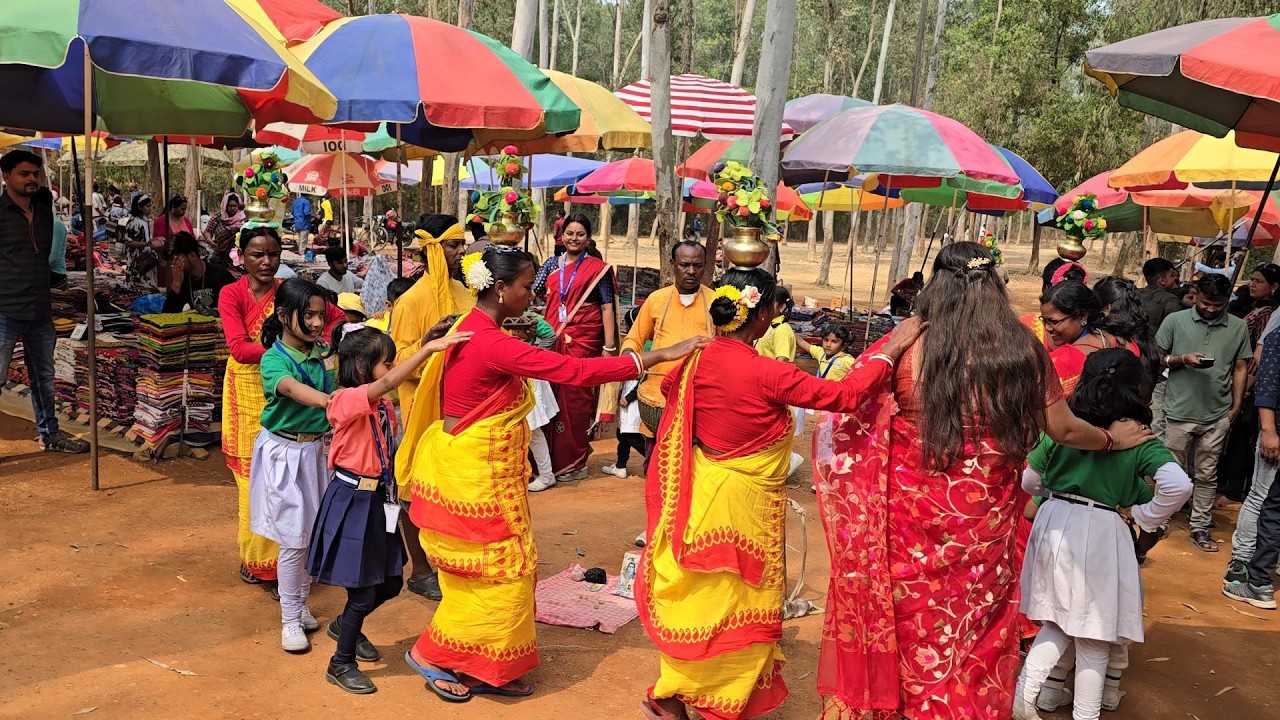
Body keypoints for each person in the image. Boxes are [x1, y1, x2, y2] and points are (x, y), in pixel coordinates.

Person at [813, 242, 1154, 720]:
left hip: (908, 520)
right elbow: (1063, 429)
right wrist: (1111, 441)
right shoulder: (1021, 349)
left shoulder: (908, 344)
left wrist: (888, 348)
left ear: (937, 286)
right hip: (983, 522)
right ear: (994, 286)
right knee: (974, 622)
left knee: (911, 619)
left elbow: (846, 400)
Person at [395, 246, 704, 703]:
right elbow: (574, 371)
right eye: (526, 288)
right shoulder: (492, 342)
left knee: (502, 570)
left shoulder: (472, 326)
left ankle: (486, 664)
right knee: (498, 571)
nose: (533, 298)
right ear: (501, 289)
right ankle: (432, 654)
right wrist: (658, 356)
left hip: (482, 471)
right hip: (475, 476)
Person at [636, 268, 924, 720]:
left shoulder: (696, 360)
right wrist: (890, 349)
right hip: (741, 505)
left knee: (704, 597)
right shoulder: (766, 372)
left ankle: (677, 692)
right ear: (763, 313)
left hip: (701, 493)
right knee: (733, 599)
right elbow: (846, 396)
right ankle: (708, 699)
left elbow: (670, 390)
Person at [1013, 349, 1192, 720]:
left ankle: (1024, 698)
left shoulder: (1067, 426)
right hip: (1101, 530)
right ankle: (1086, 715)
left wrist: (1054, 495)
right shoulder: (1138, 437)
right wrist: (1145, 514)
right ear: (1137, 388)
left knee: (1056, 623)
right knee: (1094, 637)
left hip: (1054, 524)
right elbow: (1178, 485)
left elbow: (1029, 480)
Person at [307, 323, 471, 694]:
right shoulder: (344, 400)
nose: (393, 369)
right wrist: (427, 351)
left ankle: (346, 626)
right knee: (362, 590)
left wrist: (427, 344)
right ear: (362, 368)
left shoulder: (382, 405)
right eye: (386, 362)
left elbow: (389, 385)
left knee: (393, 580)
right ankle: (340, 663)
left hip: (379, 499)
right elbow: (387, 383)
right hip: (351, 501)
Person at [218, 227, 344, 594]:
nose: (266, 261)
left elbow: (335, 316)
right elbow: (239, 348)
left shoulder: (290, 292)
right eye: (257, 254)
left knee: (293, 482)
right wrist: (291, 349)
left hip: (296, 390)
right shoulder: (231, 294)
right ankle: (260, 564)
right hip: (247, 391)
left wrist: (321, 340)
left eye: (273, 254)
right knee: (253, 480)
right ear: (241, 257)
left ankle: (291, 563)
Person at [387, 215, 473, 601]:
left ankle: (453, 562)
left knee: (456, 486)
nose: (461, 251)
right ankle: (420, 570)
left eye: (461, 244)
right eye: (454, 245)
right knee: (413, 489)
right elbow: (395, 361)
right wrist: (427, 343)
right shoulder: (410, 301)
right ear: (433, 250)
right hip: (420, 409)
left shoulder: (466, 292)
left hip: (462, 408)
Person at [250, 278, 339, 653]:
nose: (317, 324)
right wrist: (328, 401)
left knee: (310, 535)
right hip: (285, 455)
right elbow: (289, 387)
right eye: (309, 316)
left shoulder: (324, 351)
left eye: (321, 315)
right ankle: (289, 618)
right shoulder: (274, 359)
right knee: (292, 539)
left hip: (317, 452)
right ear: (285, 316)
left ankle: (300, 605)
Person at [0, 149, 88, 453]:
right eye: (24, 174)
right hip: (5, 310)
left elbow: (46, 257)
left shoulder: (44, 213)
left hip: (39, 309)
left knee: (44, 377)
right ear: (6, 177)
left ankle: (50, 434)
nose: (31, 179)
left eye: (35, 174)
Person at [1157, 273, 1252, 552]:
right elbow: (1156, 358)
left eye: (1218, 305)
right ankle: (1161, 520)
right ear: (1195, 295)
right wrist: (1181, 359)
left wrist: (1236, 406)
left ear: (1227, 301)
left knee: (1207, 474)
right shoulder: (1175, 321)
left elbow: (1240, 367)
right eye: (1206, 303)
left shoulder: (1238, 327)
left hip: (1217, 414)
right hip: (1178, 410)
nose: (1210, 309)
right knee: (1171, 471)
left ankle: (1199, 525)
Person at [534, 213, 619, 480]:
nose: (574, 238)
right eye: (569, 233)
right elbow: (533, 291)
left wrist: (609, 348)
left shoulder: (598, 269)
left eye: (580, 234)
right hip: (552, 341)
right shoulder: (551, 265)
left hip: (584, 343)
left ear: (588, 237)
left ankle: (575, 463)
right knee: (548, 398)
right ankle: (546, 462)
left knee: (576, 401)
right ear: (562, 236)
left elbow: (606, 307)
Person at [620, 240, 714, 440]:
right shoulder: (656, 299)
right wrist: (628, 357)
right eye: (684, 265)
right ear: (672, 264)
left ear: (705, 265)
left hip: (701, 396)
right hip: (658, 394)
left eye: (697, 265)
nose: (691, 271)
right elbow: (634, 339)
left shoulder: (716, 302)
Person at [1217, 263, 1280, 501]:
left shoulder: (1268, 313)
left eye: (1259, 281)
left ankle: (1235, 488)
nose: (1252, 284)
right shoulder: (1258, 308)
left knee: (1244, 436)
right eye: (1252, 279)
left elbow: (1259, 354)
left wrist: (1246, 385)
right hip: (1246, 377)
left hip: (1254, 382)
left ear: (1274, 287)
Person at [1040, 280, 1146, 395]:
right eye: (1044, 320)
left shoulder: (1061, 360)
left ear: (1082, 316)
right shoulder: (1125, 342)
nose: (1047, 328)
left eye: (1054, 321)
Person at [164, 231, 235, 315]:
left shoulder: (220, 276)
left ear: (192, 256)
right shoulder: (183, 279)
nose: (174, 265)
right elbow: (168, 315)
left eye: (177, 260)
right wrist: (176, 284)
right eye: (171, 261)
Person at [601, 377, 644, 480]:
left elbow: (643, 382)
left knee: (631, 436)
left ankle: (657, 459)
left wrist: (629, 398)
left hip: (633, 404)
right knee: (621, 434)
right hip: (627, 402)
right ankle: (620, 466)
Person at [123, 194, 162, 287]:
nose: (150, 209)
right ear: (140, 207)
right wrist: (145, 244)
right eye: (147, 206)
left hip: (147, 260)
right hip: (137, 260)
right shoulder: (133, 222)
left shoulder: (146, 221)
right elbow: (128, 242)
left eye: (150, 206)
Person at [203, 192, 245, 269]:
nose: (232, 208)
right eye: (230, 206)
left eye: (234, 206)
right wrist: (210, 241)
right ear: (225, 205)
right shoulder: (218, 217)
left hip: (237, 258)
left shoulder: (243, 218)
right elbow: (208, 231)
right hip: (219, 256)